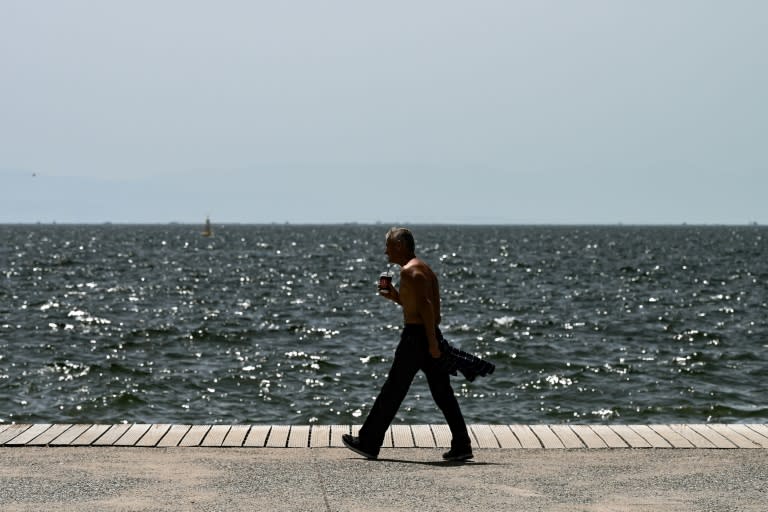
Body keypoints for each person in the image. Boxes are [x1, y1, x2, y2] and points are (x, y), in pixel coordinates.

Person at [342, 227, 473, 461]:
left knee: (393, 390)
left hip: (416, 338)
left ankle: (368, 442)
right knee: (442, 393)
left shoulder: (409, 272)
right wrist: (395, 297)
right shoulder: (425, 270)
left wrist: (432, 343)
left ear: (401, 245)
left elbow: (426, 307)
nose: (385, 251)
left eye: (389, 246)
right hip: (426, 334)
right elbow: (420, 307)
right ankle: (462, 444)